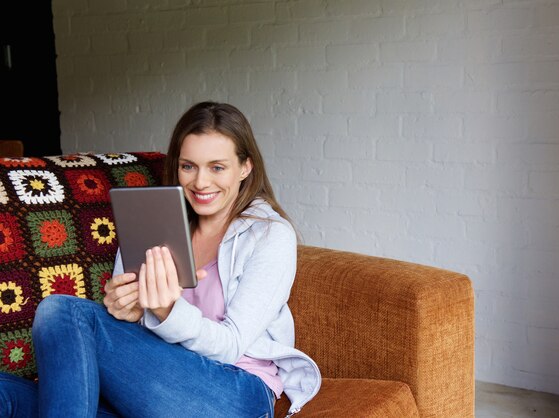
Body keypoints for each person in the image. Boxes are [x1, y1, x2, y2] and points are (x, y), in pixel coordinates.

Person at [0, 101, 321, 417]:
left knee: (62, 312)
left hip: (236, 393)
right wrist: (126, 309)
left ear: (245, 167)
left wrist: (167, 310)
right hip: (156, 386)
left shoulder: (269, 235)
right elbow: (137, 336)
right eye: (188, 166)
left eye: (217, 167)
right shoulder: (154, 222)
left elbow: (230, 345)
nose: (200, 182)